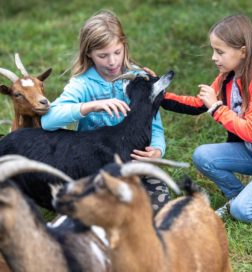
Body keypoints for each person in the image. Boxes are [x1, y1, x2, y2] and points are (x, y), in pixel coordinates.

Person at [161, 14, 252, 222]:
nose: (213, 57)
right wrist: (157, 94)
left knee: (244, 212)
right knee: (202, 156)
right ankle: (237, 195)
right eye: (213, 50)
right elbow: (198, 104)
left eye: (219, 52)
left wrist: (217, 108)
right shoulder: (228, 76)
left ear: (242, 52)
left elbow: (251, 132)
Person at [41, 10, 170, 212]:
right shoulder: (82, 84)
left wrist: (157, 150)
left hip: (129, 164)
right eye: (103, 55)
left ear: (124, 47)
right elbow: (48, 121)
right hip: (91, 166)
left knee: (157, 202)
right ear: (89, 54)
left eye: (117, 52)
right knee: (97, 208)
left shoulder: (138, 79)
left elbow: (154, 125)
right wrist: (89, 106)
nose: (112, 62)